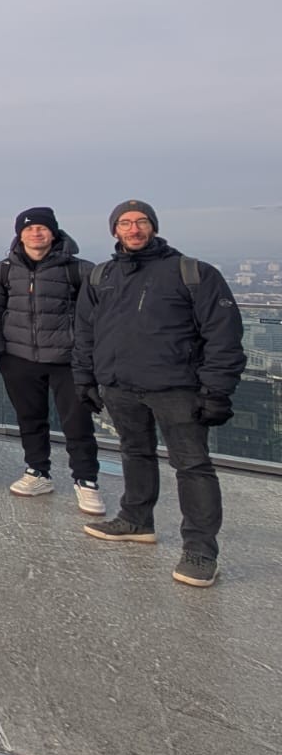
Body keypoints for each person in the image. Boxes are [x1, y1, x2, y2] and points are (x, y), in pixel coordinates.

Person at [73, 200, 245, 587]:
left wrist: (217, 390)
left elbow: (223, 335)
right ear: (114, 230)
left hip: (177, 387)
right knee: (134, 452)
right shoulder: (102, 276)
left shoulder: (192, 272)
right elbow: (84, 331)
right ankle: (136, 519)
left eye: (141, 222)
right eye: (125, 223)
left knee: (193, 465)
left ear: (153, 226)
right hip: (119, 384)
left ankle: (200, 550)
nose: (133, 229)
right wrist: (84, 377)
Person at [0, 207, 101, 512]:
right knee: (30, 418)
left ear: (53, 232)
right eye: (29, 229)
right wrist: (0, 352)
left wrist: (86, 355)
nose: (35, 233)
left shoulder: (79, 269)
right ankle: (37, 471)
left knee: (77, 422)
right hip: (19, 357)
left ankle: (86, 480)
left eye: (42, 228)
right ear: (19, 235)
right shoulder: (4, 270)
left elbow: (95, 316)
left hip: (67, 360)